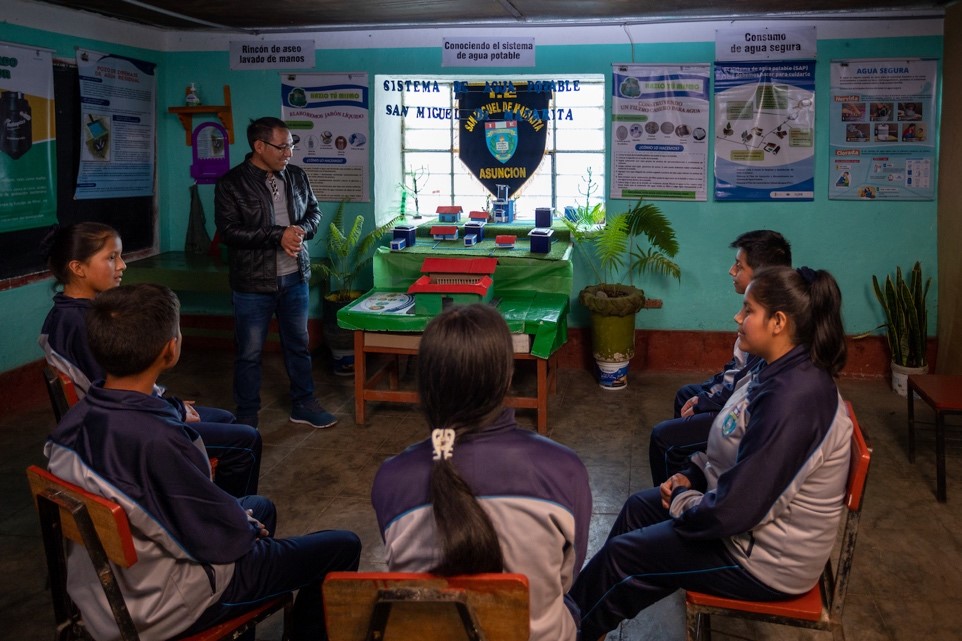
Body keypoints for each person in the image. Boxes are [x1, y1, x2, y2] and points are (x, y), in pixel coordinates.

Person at [45, 283, 361, 641]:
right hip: (164, 606)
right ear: (170, 349)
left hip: (103, 596)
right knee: (342, 546)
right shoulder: (157, 441)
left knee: (260, 507)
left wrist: (240, 519)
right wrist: (243, 526)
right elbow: (211, 536)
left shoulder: (70, 425)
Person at [570, 265, 852, 640]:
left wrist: (685, 501)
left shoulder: (794, 399)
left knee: (624, 558)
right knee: (638, 508)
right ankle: (584, 621)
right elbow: (731, 446)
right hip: (742, 524)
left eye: (749, 310)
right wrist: (694, 474)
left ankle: (566, 631)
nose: (738, 317)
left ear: (778, 322)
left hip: (763, 559)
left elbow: (737, 510)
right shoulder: (773, 369)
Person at [371, 304, 592, 641]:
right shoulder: (563, 470)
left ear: (426, 386)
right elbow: (565, 580)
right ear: (506, 377)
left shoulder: (391, 479)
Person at [38, 222, 262, 498]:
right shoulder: (87, 323)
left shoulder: (64, 313)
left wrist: (170, 403)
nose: (122, 266)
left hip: (108, 417)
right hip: (123, 428)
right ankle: (232, 517)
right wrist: (173, 409)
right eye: (111, 257)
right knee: (246, 440)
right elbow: (119, 388)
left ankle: (208, 498)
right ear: (77, 268)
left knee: (226, 419)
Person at [215, 116, 333, 429]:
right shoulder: (231, 183)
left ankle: (304, 403)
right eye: (282, 147)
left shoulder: (296, 176)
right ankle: (247, 413)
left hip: (295, 278)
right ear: (259, 146)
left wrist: (300, 230)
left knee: (298, 344)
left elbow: (314, 212)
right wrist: (276, 234)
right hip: (253, 284)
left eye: (291, 146)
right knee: (250, 351)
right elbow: (228, 232)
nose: (289, 153)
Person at [648, 230, 792, 485]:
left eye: (739, 265)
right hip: (737, 396)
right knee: (685, 394)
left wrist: (707, 400)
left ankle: (679, 493)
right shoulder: (764, 317)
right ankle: (692, 473)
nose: (731, 271)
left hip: (740, 411)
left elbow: (744, 384)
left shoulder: (772, 332)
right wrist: (704, 396)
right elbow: (737, 371)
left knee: (663, 437)